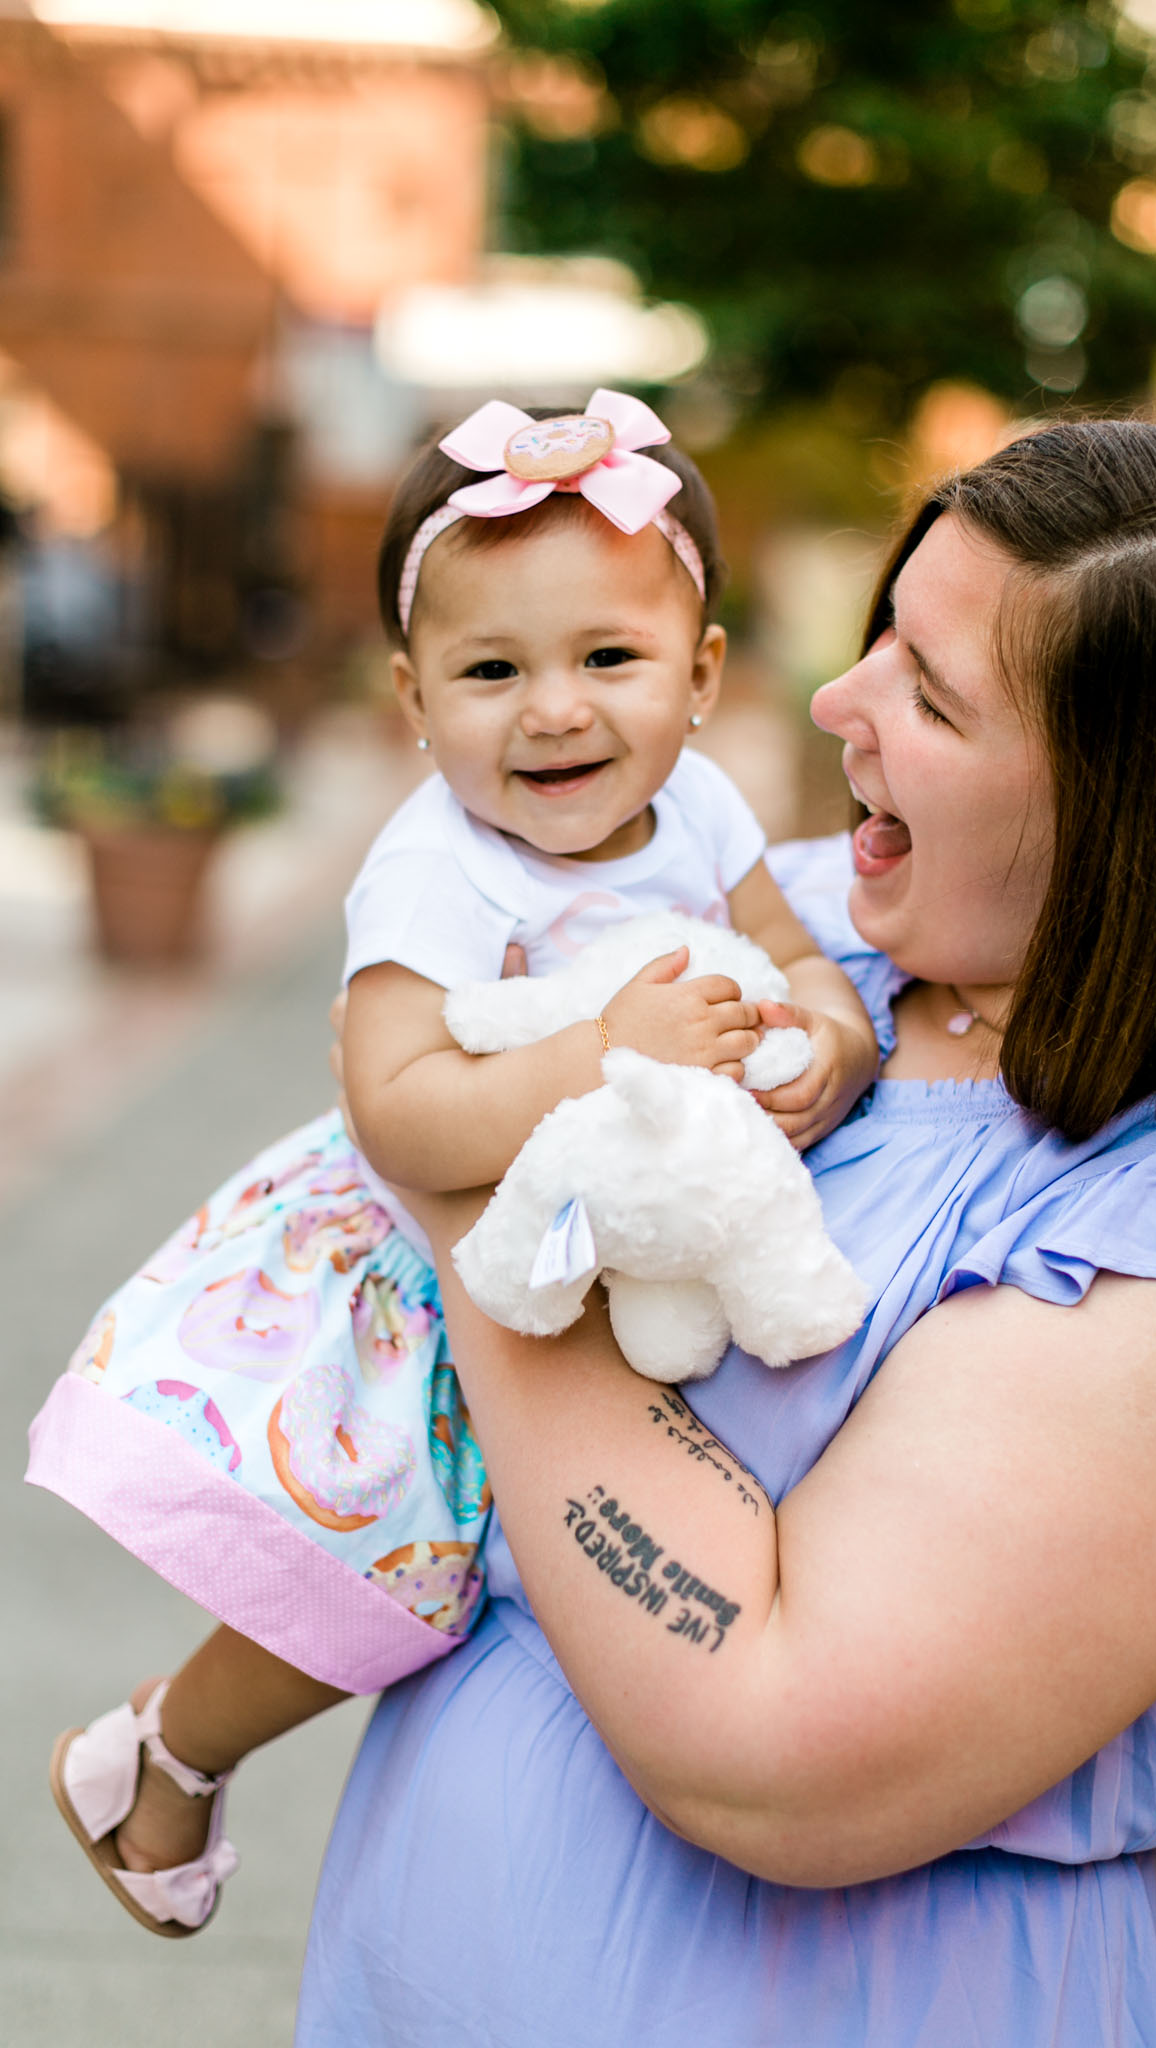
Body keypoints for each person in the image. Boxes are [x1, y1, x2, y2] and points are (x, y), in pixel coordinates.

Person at [295, 420, 1156, 2048]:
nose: (832, 705)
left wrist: (473, 1181)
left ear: (1146, 818)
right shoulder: (809, 939)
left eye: (929, 698)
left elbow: (773, 1745)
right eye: (882, 638)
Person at [28, 388, 879, 1937]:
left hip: (605, 1240)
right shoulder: (437, 862)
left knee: (570, 1568)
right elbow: (398, 1106)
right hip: (428, 1269)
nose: (552, 710)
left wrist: (828, 1040)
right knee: (399, 1573)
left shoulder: (698, 804)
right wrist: (600, 1051)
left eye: (606, 660)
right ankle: (160, 1750)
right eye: (491, 672)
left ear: (697, 681)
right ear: (415, 702)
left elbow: (788, 954)